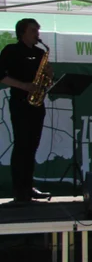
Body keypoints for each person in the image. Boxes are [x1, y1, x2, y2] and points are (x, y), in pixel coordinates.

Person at [0, 18, 52, 203]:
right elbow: (1, 76)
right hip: (20, 102)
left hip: (36, 104)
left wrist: (47, 77)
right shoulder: (11, 51)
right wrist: (23, 85)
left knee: (32, 145)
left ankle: (29, 186)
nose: (37, 34)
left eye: (37, 30)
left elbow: (45, 78)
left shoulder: (39, 53)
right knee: (21, 144)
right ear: (22, 32)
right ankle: (18, 188)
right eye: (33, 31)